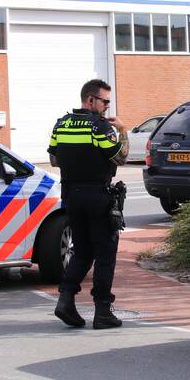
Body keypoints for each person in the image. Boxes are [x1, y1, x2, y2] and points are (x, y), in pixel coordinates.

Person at [48, 79, 129, 330]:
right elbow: (121, 157)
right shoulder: (100, 127)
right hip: (97, 196)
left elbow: (53, 159)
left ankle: (65, 300)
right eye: (104, 101)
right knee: (105, 254)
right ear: (90, 100)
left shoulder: (61, 124)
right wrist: (123, 131)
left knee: (82, 251)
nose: (107, 106)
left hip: (71, 195)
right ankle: (103, 311)